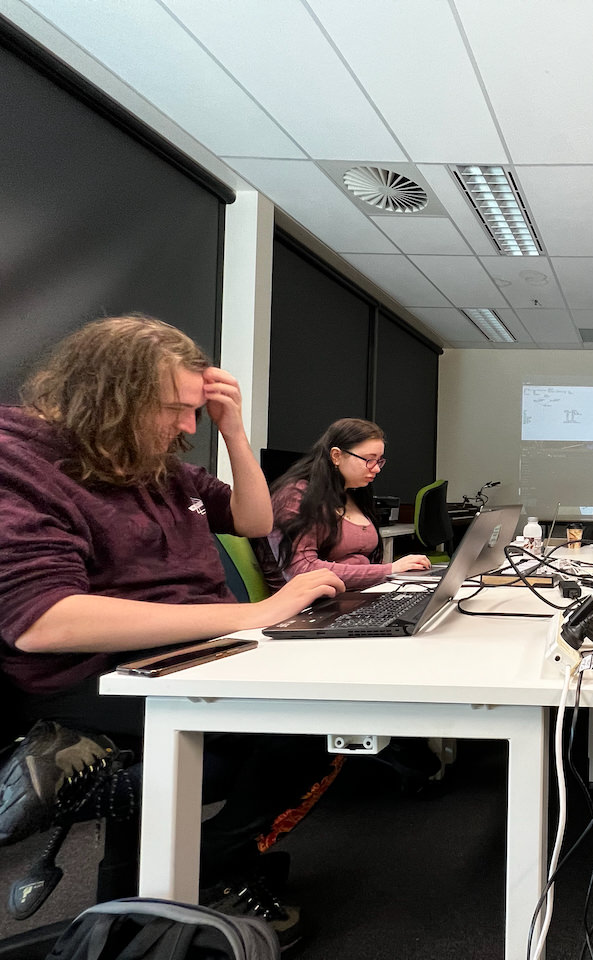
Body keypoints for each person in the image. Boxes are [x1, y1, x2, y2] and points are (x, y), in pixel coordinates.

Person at [0, 315, 346, 950]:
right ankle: (205, 871)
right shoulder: (19, 462)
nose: (187, 429)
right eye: (173, 410)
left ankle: (191, 873)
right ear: (110, 396)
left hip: (187, 653)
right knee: (301, 729)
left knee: (332, 709)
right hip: (95, 673)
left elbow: (251, 518)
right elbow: (44, 622)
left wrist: (234, 431)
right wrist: (254, 614)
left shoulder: (155, 464)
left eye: (194, 412)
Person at [270, 418, 430, 589]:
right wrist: (389, 570)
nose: (377, 469)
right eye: (369, 460)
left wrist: (395, 573)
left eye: (379, 461)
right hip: (308, 605)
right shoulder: (295, 495)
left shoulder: (355, 493)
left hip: (353, 595)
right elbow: (302, 570)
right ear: (336, 456)